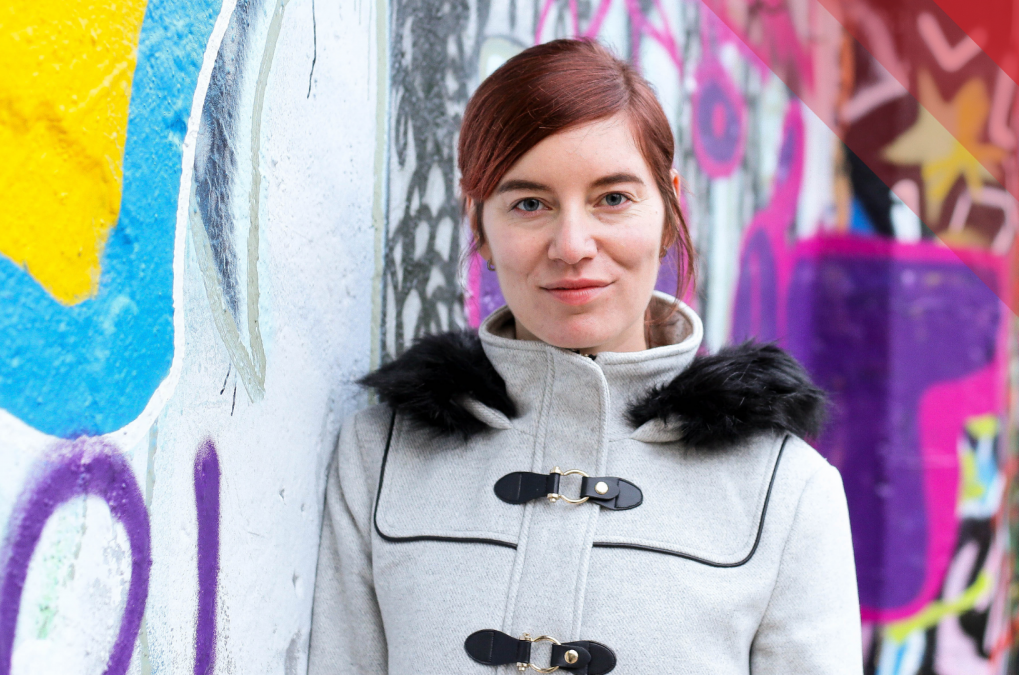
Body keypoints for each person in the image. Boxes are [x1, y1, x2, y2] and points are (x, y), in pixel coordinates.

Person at [308, 39, 861, 674]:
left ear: (668, 211)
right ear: (480, 225)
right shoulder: (379, 456)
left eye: (613, 198)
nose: (572, 245)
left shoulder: (784, 490)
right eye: (529, 204)